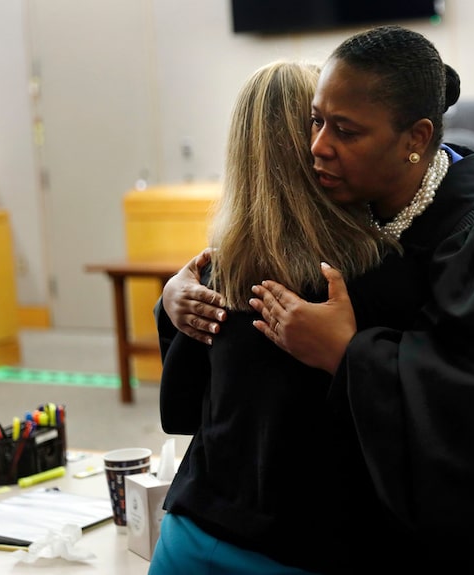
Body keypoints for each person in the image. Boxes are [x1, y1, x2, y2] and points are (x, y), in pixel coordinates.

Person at [161, 25, 474, 574]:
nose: (317, 147)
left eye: (345, 131)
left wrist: (348, 353)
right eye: (316, 121)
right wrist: (179, 293)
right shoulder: (370, 212)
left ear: (415, 139)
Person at [148, 60, 388, 575]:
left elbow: (182, 412)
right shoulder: (367, 272)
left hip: (191, 540)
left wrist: (170, 303)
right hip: (306, 549)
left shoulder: (215, 273)